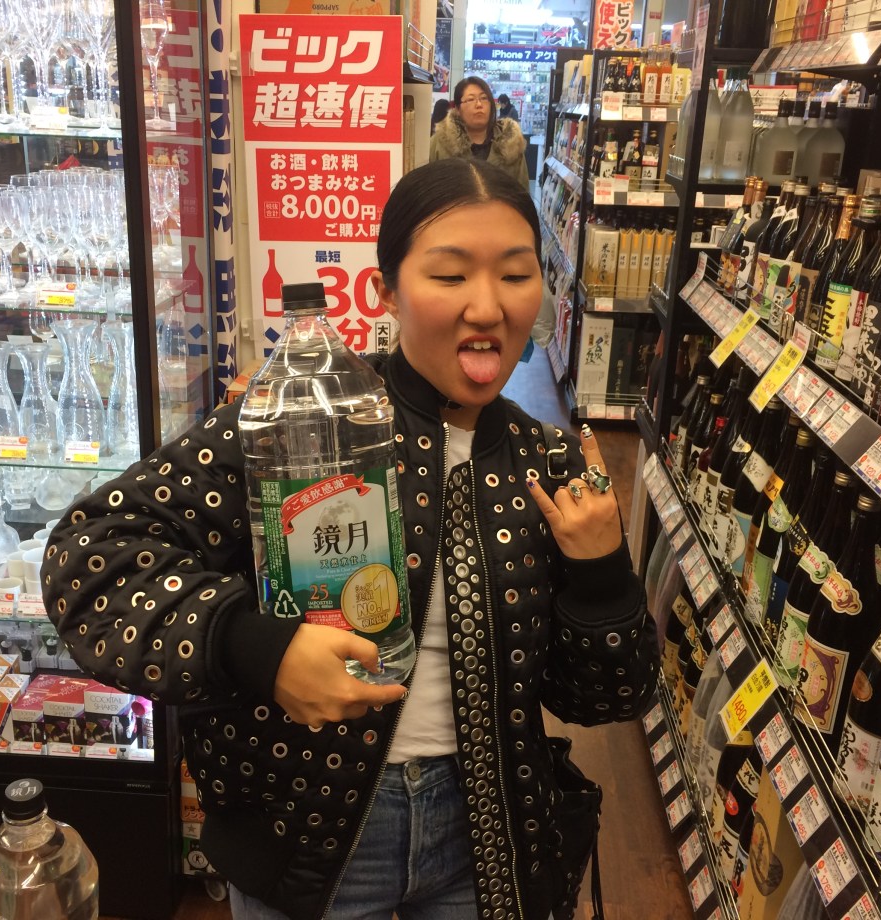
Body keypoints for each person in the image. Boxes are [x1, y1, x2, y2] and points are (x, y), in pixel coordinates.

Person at [42, 158, 659, 920]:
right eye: (450, 275)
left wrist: (602, 573)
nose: (488, 306)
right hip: (306, 839)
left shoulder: (551, 463)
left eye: (515, 274)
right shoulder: (303, 416)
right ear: (386, 292)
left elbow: (609, 696)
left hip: (485, 839)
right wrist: (256, 647)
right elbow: (90, 557)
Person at [430, 76, 530, 190]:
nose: (479, 104)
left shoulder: (511, 143)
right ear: (457, 109)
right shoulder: (440, 142)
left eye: (483, 98)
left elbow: (522, 189)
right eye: (471, 99)